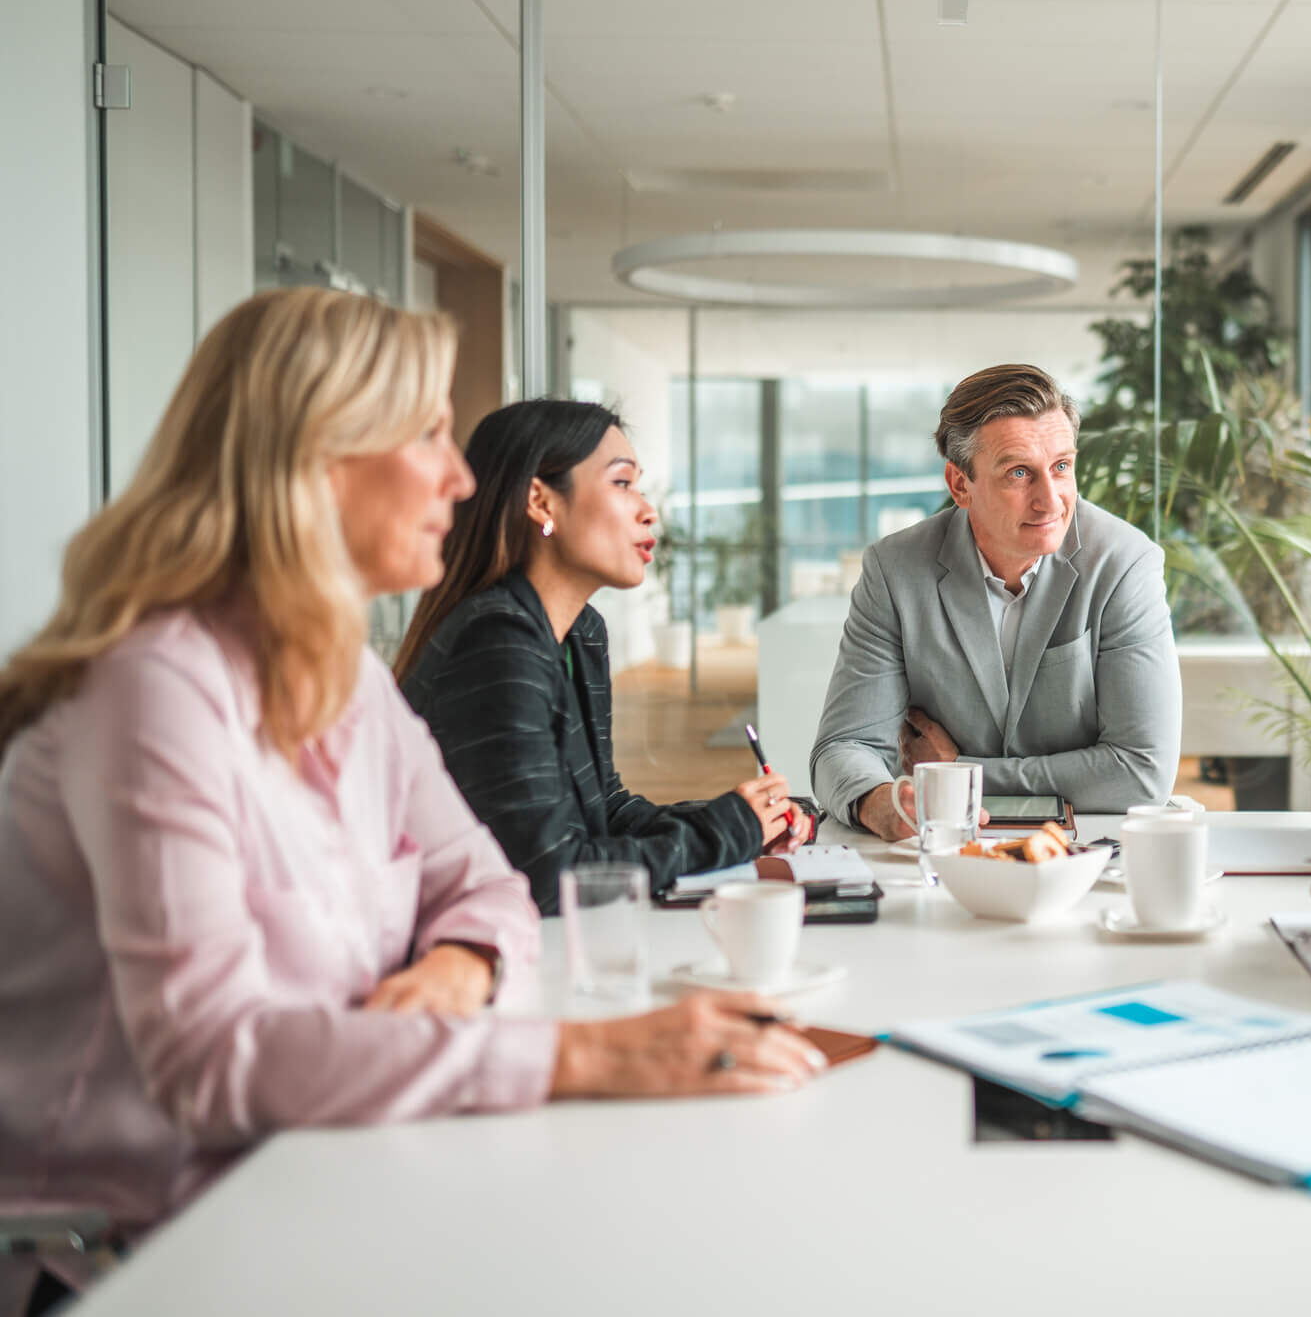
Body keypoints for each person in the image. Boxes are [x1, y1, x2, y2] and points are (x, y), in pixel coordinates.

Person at [0, 292, 824, 1308]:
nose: (460, 474)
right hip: (154, 1252)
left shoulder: (337, 676)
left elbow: (482, 881)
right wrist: (575, 1054)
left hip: (329, 1171)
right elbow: (211, 1062)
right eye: (427, 432)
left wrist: (459, 960)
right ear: (315, 453)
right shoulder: (156, 686)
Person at [395, 400, 809, 916]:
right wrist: (724, 832)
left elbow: (603, 809)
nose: (647, 509)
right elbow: (549, 874)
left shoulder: (579, 633)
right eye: (621, 483)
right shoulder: (497, 642)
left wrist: (746, 818)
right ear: (542, 502)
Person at [809, 363, 1181, 841]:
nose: (1050, 501)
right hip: (940, 845)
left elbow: (1141, 770)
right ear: (960, 485)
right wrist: (877, 803)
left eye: (1062, 467)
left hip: (1091, 850)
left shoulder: (1125, 564)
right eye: (1019, 473)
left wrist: (959, 772)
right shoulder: (895, 570)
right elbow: (845, 746)